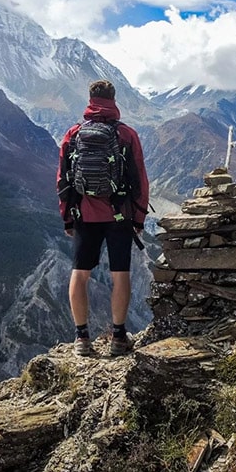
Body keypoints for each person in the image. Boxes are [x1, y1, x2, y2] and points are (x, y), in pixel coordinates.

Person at [57, 79, 150, 357]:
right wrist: (139, 218)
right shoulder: (127, 135)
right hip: (119, 214)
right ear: (114, 99)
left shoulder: (73, 134)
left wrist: (67, 218)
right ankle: (119, 337)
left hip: (84, 214)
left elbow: (62, 179)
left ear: (90, 99)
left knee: (80, 273)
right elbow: (140, 180)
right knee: (120, 274)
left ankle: (81, 338)